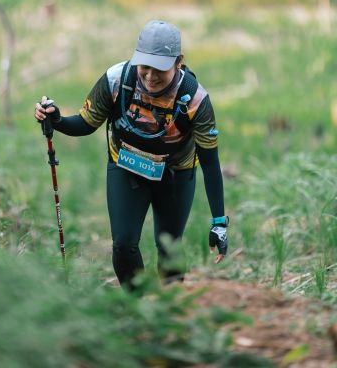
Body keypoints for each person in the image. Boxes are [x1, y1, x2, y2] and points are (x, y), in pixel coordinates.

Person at [35, 19, 228, 290]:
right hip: (125, 165)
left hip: (176, 173)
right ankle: (137, 304)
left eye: (159, 68)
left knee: (169, 246)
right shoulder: (116, 80)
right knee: (123, 245)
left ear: (179, 62)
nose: (150, 76)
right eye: (144, 66)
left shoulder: (195, 99)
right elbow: (86, 124)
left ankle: (171, 304)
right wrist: (57, 119)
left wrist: (219, 222)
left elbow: (209, 162)